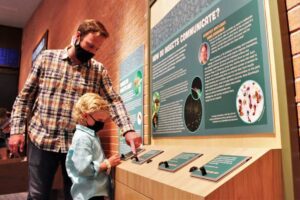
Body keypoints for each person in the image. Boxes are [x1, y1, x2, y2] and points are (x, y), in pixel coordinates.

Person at [9, 19, 142, 200]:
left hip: (75, 144)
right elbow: (25, 98)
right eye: (89, 45)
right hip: (41, 138)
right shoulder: (46, 58)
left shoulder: (98, 71)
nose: (92, 52)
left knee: (77, 195)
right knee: (38, 195)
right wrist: (16, 132)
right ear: (77, 36)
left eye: (96, 49)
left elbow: (114, 100)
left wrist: (128, 130)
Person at [66, 93, 120, 200]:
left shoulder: (90, 135)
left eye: (103, 121)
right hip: (89, 194)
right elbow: (84, 168)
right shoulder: (83, 138)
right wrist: (107, 163)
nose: (102, 124)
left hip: (92, 192)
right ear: (85, 116)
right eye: (99, 120)